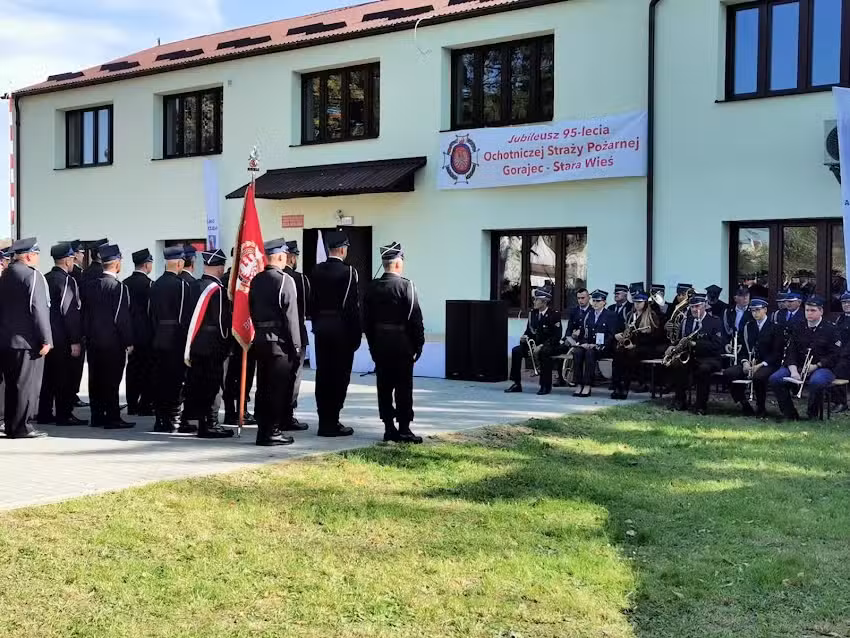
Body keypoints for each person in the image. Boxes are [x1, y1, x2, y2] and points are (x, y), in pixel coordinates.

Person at [364, 242, 426, 443]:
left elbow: (366, 321)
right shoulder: (406, 286)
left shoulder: (371, 287)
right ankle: (405, 428)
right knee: (403, 387)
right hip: (402, 344)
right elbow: (415, 319)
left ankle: (388, 427)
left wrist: (372, 344)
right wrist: (419, 344)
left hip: (380, 343)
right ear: (398, 264)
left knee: (384, 386)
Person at [249, 239, 301, 447]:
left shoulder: (256, 280)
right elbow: (291, 317)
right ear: (281, 257)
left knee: (263, 387)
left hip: (260, 338)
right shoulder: (285, 280)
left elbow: (251, 308)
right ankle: (273, 431)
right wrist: (295, 345)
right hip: (279, 342)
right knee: (277, 389)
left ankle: (263, 430)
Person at [310, 230, 361, 437]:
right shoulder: (349, 272)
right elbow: (352, 307)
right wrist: (356, 335)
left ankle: (324, 420)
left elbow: (312, 302)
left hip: (321, 328)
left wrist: (316, 323)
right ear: (342, 249)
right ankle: (333, 420)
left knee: (323, 375)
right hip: (341, 329)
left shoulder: (316, 270)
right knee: (339, 376)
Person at [0, 238, 52, 438]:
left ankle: (11, 425)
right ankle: (22, 427)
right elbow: (38, 310)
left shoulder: (5, 275)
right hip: (26, 341)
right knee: (26, 385)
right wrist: (46, 339)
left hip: (5, 340)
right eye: (37, 254)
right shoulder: (32, 276)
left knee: (11, 385)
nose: (38, 258)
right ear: (29, 255)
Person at [183, 249, 234, 439]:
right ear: (220, 268)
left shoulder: (193, 285)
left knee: (196, 382)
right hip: (214, 345)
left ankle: (192, 420)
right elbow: (222, 323)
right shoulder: (217, 290)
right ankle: (210, 423)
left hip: (195, 342)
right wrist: (227, 344)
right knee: (214, 385)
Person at [83, 244, 134, 428]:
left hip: (93, 341)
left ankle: (97, 415)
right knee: (112, 380)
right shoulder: (118, 288)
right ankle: (112, 417)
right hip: (113, 342)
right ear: (117, 263)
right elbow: (121, 318)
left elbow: (85, 315)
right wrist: (128, 341)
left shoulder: (90, 286)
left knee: (95, 379)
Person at [36, 242, 86, 426]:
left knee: (48, 378)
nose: (73, 262)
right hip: (64, 337)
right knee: (65, 378)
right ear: (66, 260)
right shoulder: (67, 280)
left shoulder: (45, 277)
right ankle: (64, 415)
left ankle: (44, 413)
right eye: (72, 258)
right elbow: (70, 311)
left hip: (48, 336)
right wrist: (75, 339)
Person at [769, 295, 837, 421]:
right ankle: (790, 414)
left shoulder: (831, 329)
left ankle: (812, 414)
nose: (809, 313)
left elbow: (835, 355)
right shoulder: (798, 327)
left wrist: (817, 365)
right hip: (798, 366)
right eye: (807, 310)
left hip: (822, 367)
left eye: (813, 310)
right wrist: (794, 371)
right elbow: (791, 351)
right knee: (775, 379)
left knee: (816, 382)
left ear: (821, 311)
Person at [150, 245, 191, 433]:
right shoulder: (181, 285)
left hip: (158, 336)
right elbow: (184, 316)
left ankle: (160, 419)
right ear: (180, 263)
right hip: (175, 338)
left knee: (160, 379)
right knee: (175, 380)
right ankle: (174, 419)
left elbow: (151, 314)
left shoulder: (156, 284)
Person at [723, 297, 784, 417]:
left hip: (768, 363)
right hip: (750, 361)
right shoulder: (748, 326)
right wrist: (745, 362)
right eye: (752, 311)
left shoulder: (775, 327)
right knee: (729, 373)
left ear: (765, 310)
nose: (755, 313)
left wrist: (760, 365)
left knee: (758, 377)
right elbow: (743, 348)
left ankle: (760, 407)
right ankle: (743, 403)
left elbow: (777, 353)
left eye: (758, 310)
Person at [666, 292, 724, 414]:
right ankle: (680, 400)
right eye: (692, 307)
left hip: (709, 358)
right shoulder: (686, 321)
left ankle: (701, 405)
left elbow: (717, 345)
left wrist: (696, 344)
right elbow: (680, 339)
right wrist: (673, 346)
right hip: (690, 356)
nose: (694, 309)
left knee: (703, 370)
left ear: (704, 306)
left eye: (697, 306)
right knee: (677, 365)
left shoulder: (715, 321)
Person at [505, 286, 562, 395]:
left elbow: (556, 336)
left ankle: (545, 385)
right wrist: (524, 337)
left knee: (545, 353)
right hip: (534, 344)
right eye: (534, 299)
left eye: (537, 300)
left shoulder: (554, 314)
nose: (534, 302)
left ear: (544, 302)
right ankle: (516, 383)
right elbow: (529, 331)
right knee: (516, 351)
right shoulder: (533, 314)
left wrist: (540, 346)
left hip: (549, 345)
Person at [222, 251, 257, 427]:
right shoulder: (226, 280)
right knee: (231, 377)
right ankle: (231, 412)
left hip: (246, 334)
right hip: (231, 336)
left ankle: (242, 409)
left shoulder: (252, 279)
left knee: (247, 374)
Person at [610, 291, 665, 399]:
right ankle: (617, 385)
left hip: (646, 347)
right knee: (618, 353)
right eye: (635, 302)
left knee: (630, 355)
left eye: (640, 302)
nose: (637, 304)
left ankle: (625, 387)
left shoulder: (651, 316)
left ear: (645, 303)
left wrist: (635, 344)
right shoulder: (630, 315)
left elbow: (655, 336)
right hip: (631, 346)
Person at [283, 240, 311, 431]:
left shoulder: (265, 277)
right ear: (292, 257)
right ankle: (287, 416)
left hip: (273, 335)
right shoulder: (299, 279)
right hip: (295, 334)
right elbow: (308, 306)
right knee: (293, 377)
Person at [124, 248, 155, 417]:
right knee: (147, 370)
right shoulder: (150, 284)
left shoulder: (125, 283)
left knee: (132, 370)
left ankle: (131, 404)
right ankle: (145, 405)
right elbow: (152, 311)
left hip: (130, 333)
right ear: (146, 264)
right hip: (146, 334)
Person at [571, 289, 615, 398]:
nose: (595, 303)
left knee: (590, 353)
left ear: (604, 302)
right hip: (589, 345)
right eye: (594, 301)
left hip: (603, 348)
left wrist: (598, 345)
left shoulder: (610, 315)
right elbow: (583, 333)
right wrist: (584, 343)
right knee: (577, 352)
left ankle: (587, 384)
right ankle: (579, 383)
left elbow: (611, 335)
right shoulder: (588, 314)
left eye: (598, 301)